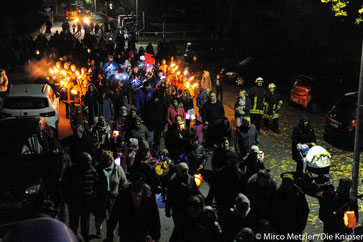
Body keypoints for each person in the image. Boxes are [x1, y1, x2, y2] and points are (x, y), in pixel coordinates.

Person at [106, 172, 161, 242]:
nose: (139, 185)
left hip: (142, 232)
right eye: (137, 183)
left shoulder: (148, 196)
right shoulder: (124, 195)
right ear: (132, 183)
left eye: (141, 183)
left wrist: (155, 236)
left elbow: (155, 216)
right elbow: (115, 214)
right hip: (126, 231)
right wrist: (110, 233)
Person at [62, 152, 98, 241]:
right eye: (88, 161)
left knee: (85, 223)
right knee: (73, 222)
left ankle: (84, 239)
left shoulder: (92, 171)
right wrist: (67, 198)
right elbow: (64, 185)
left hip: (86, 202)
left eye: (90, 161)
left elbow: (96, 186)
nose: (90, 162)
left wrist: (93, 198)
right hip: (74, 202)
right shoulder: (71, 171)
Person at [206, 153, 246, 227]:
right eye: (231, 161)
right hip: (224, 203)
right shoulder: (222, 173)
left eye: (234, 161)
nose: (233, 163)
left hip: (231, 203)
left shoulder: (240, 175)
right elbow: (214, 188)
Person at [94, 150, 128, 238]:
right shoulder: (98, 169)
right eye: (105, 159)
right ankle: (99, 229)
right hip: (101, 197)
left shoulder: (118, 169)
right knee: (99, 216)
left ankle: (110, 233)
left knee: (112, 217)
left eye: (108, 159)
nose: (107, 161)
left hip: (114, 197)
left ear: (112, 160)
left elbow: (124, 183)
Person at [166, 162, 201, 239]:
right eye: (183, 171)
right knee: (178, 228)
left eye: (186, 170)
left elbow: (196, 191)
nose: (185, 173)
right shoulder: (174, 182)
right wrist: (167, 210)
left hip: (187, 208)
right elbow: (170, 197)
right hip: (177, 208)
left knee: (184, 227)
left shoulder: (191, 179)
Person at [271, 173, 309, 239]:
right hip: (282, 229)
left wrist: (301, 226)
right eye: (285, 183)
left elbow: (305, 210)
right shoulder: (278, 194)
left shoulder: (299, 194)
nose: (287, 185)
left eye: (289, 183)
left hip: (295, 228)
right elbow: (274, 210)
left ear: (293, 183)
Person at [141, 91, 167, 156]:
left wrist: (163, 124)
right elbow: (143, 114)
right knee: (150, 140)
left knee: (157, 140)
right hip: (150, 126)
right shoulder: (147, 104)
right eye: (155, 98)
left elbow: (164, 115)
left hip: (159, 126)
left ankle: (156, 152)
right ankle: (149, 152)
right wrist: (146, 122)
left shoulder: (162, 105)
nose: (155, 99)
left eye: (157, 98)